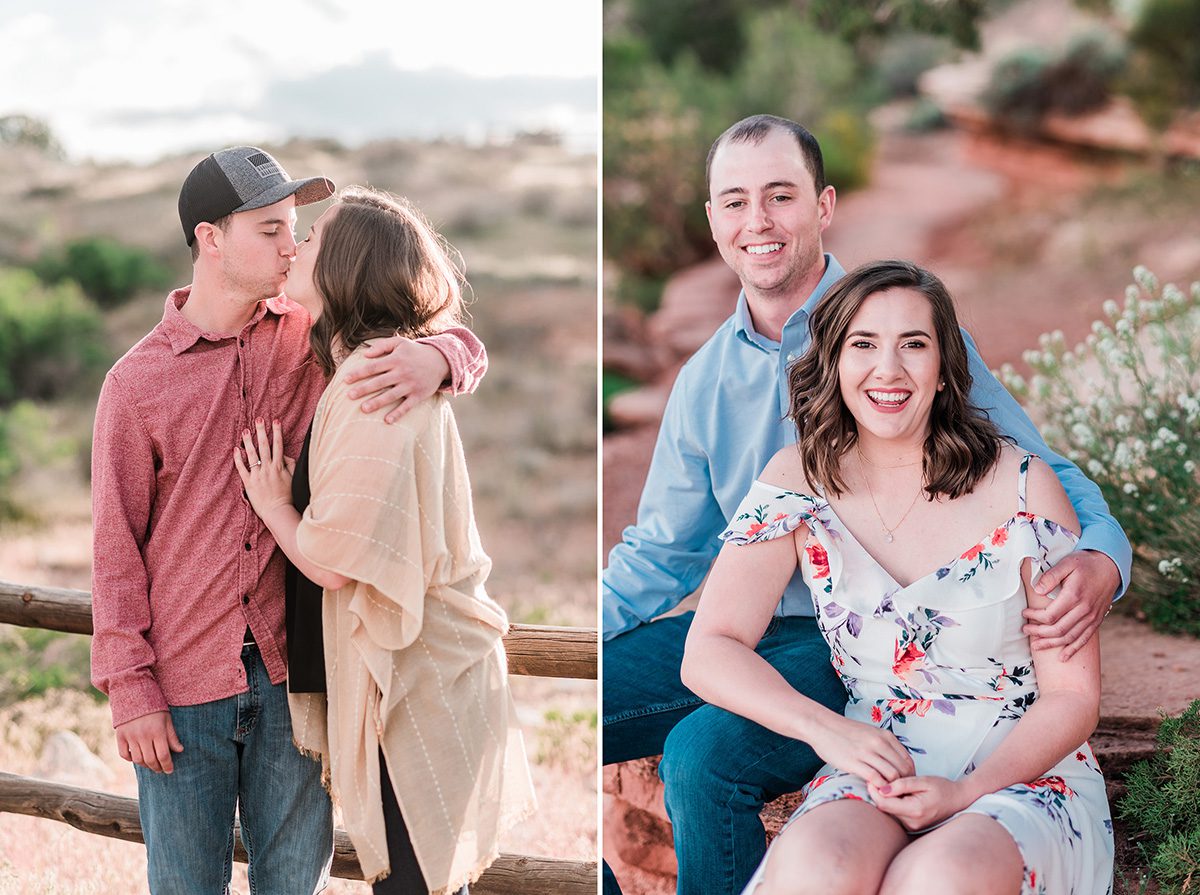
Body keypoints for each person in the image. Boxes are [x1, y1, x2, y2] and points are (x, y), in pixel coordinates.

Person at [601, 116, 1130, 895]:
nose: (759, 222)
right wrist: (579, 633)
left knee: (699, 756)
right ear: (713, 218)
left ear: (823, 206)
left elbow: (1032, 469)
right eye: (736, 201)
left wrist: (1101, 556)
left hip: (841, 641)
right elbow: (664, 551)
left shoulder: (901, 323)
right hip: (756, 620)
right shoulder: (707, 382)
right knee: (585, 692)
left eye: (780, 196)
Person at [90, 147, 488, 895]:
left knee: (292, 886)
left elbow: (429, 322)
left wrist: (444, 357)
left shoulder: (315, 337)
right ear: (210, 238)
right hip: (183, 687)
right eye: (271, 229)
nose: (289, 246)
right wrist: (130, 692)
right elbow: (115, 552)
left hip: (295, 682)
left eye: (295, 229)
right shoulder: (134, 384)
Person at [684, 259, 1112, 894]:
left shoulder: (1022, 485)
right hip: (875, 758)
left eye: (914, 344)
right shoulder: (796, 480)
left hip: (1019, 772)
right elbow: (709, 649)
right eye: (863, 344)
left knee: (941, 876)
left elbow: (1073, 698)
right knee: (816, 867)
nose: (888, 370)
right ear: (833, 362)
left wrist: (966, 791)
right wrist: (828, 731)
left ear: (944, 371)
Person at [234, 185, 536, 895]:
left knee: (415, 885)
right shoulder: (373, 362)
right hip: (412, 676)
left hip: (415, 681)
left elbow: (334, 562)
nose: (295, 247)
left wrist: (276, 505)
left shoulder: (374, 379)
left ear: (345, 264)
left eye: (311, 239)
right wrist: (449, 351)